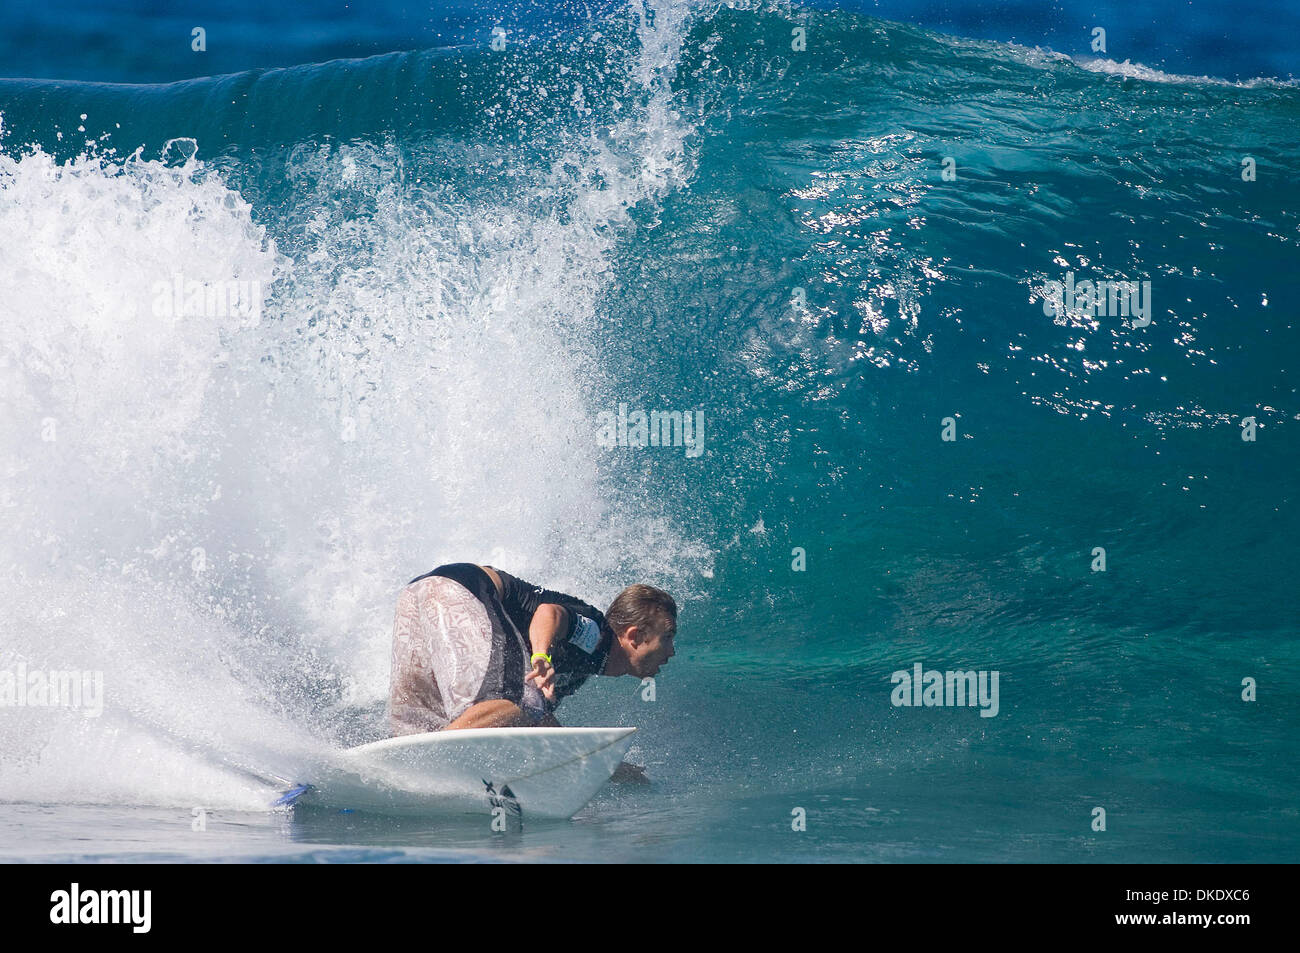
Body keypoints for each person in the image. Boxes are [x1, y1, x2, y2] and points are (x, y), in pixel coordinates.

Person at [387, 562, 676, 751]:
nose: (671, 652)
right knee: (519, 700)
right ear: (636, 636)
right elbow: (549, 613)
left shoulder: (582, 666)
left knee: (421, 725)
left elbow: (537, 726)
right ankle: (432, 759)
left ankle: (399, 778)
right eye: (667, 638)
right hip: (462, 590)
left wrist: (596, 766)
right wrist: (541, 655)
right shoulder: (596, 636)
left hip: (420, 594)